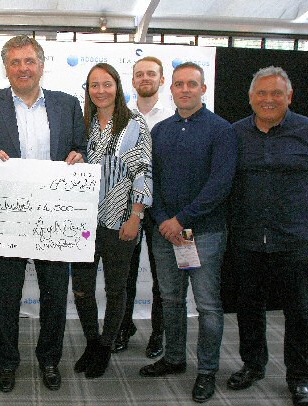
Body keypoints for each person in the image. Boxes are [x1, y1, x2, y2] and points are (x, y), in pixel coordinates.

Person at [0, 35, 86, 392]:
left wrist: (78, 156)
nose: (22, 68)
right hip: (5, 218)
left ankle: (49, 360)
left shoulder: (67, 104)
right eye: (14, 62)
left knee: (53, 294)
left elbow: (80, 147)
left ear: (41, 65)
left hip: (54, 217)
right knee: (4, 296)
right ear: (6, 67)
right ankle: (7, 362)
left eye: (29, 61)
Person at [227, 66, 308, 406]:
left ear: (289, 97)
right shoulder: (235, 134)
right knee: (249, 308)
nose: (269, 99)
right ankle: (253, 365)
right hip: (246, 238)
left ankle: (299, 378)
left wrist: (293, 208)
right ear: (250, 98)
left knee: (300, 312)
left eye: (276, 93)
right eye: (262, 93)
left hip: (294, 239)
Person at [138, 62, 237, 404]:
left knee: (208, 306)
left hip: (205, 234)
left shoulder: (222, 130)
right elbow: (152, 180)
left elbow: (220, 184)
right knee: (171, 300)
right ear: (172, 88)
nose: (184, 89)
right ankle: (175, 359)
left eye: (191, 84)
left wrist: (182, 220)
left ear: (203, 89)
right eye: (179, 84)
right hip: (165, 233)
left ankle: (207, 370)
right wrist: (165, 220)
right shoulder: (161, 131)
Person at [71, 63, 152, 379]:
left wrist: (136, 214)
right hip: (83, 222)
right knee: (82, 289)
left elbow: (142, 172)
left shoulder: (134, 124)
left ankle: (105, 346)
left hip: (120, 221)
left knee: (117, 290)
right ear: (88, 90)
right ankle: (92, 342)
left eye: (107, 84)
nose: (100, 90)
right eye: (94, 85)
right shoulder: (84, 124)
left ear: (117, 87)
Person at [114, 56, 174, 356]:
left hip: (164, 210)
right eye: (139, 74)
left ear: (162, 80)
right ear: (133, 81)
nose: (145, 78)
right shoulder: (122, 117)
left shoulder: (175, 117)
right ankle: (124, 327)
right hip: (129, 209)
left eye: (151, 74)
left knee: (163, 277)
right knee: (126, 274)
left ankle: (158, 334)